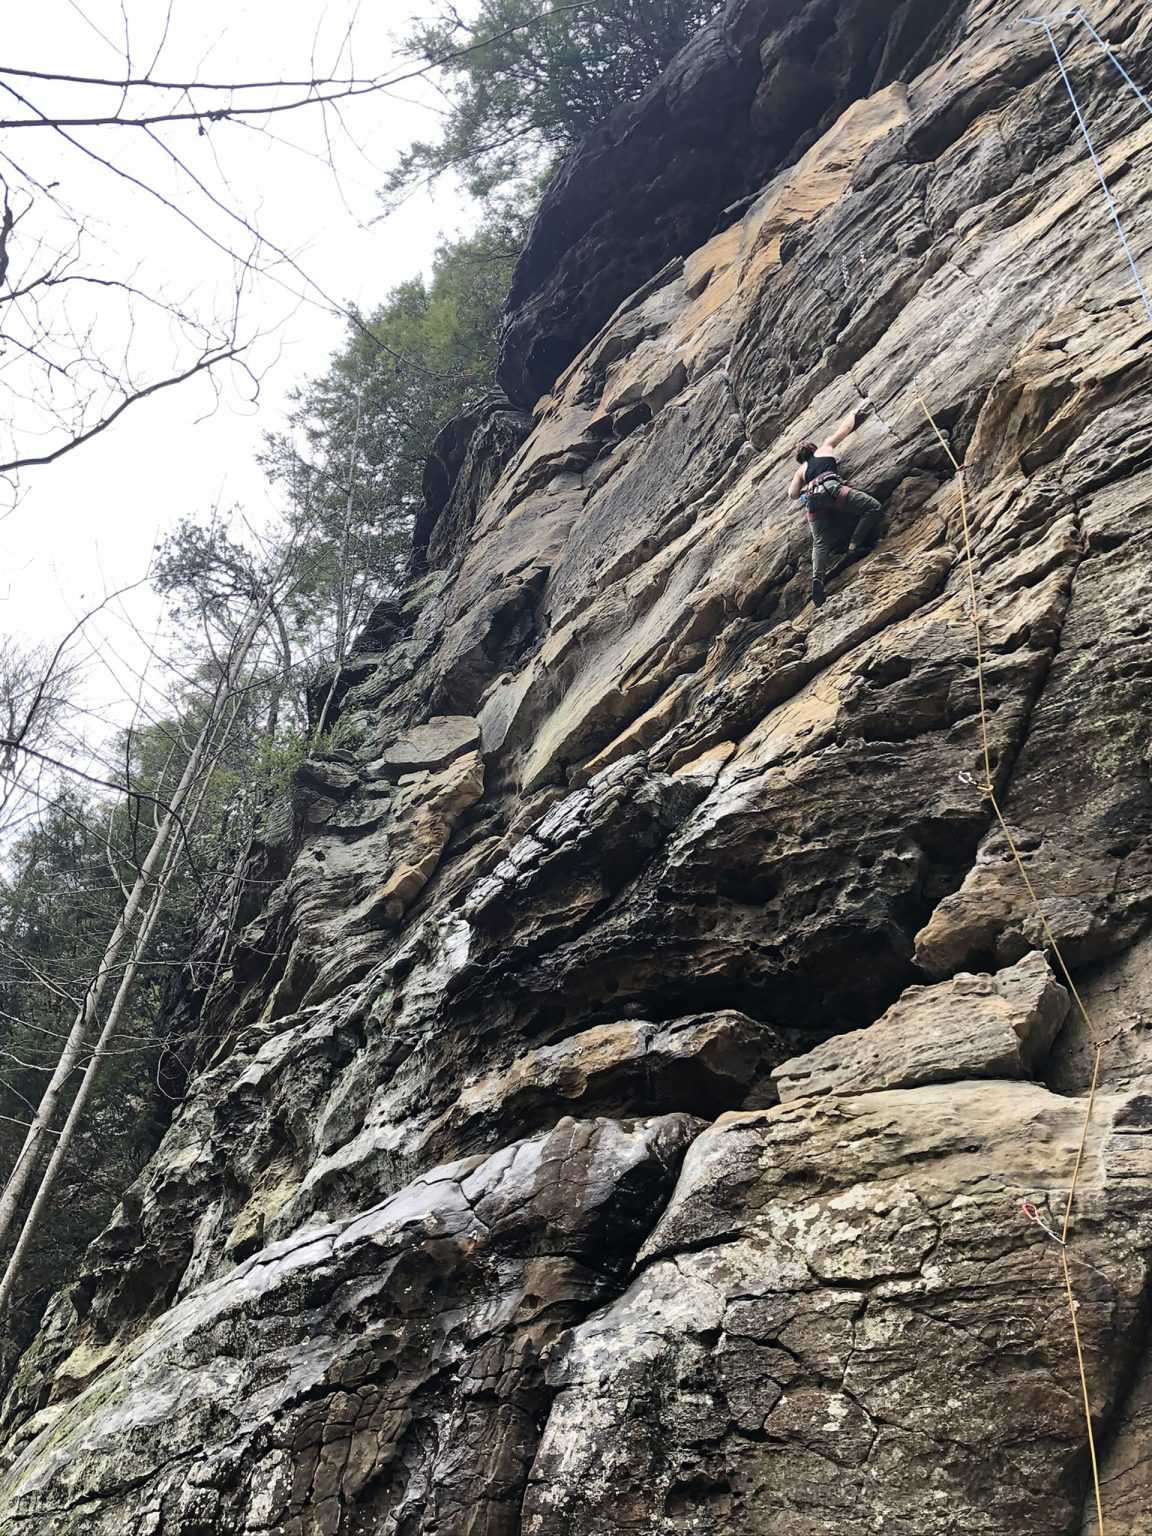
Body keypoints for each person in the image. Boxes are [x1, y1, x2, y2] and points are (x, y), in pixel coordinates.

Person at [786, 405, 883, 607]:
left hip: (813, 500)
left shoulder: (801, 471)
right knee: (872, 507)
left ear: (800, 459)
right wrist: (854, 412)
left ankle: (817, 578)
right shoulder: (824, 449)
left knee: (820, 541)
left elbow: (793, 494)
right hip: (833, 491)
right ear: (813, 449)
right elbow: (844, 430)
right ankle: (854, 544)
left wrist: (803, 483)